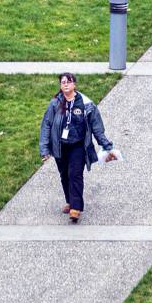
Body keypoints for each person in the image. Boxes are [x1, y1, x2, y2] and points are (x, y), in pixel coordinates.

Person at [39, 72, 115, 223]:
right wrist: (44, 149)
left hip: (78, 146)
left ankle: (76, 208)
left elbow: (97, 128)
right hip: (60, 146)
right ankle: (70, 201)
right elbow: (46, 125)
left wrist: (106, 145)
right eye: (63, 82)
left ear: (74, 84)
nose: (65, 84)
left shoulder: (86, 104)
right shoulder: (55, 103)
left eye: (68, 82)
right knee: (64, 175)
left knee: (75, 174)